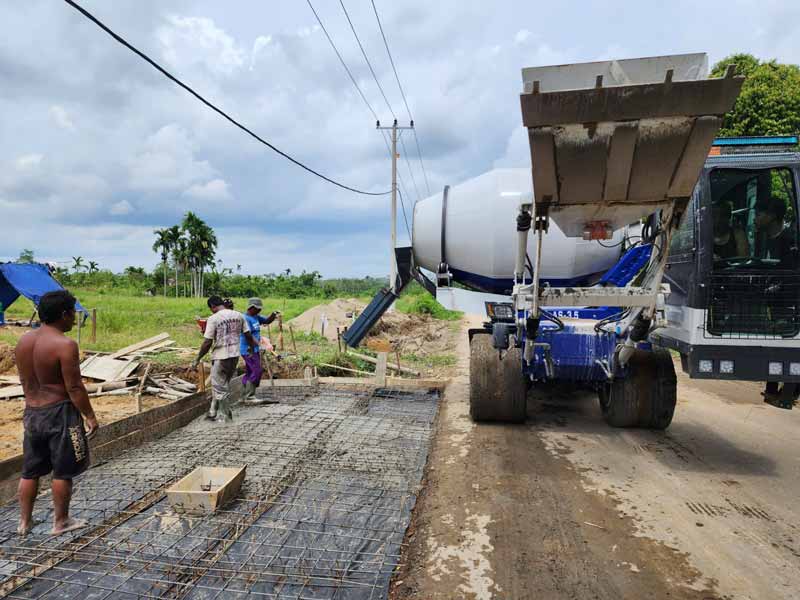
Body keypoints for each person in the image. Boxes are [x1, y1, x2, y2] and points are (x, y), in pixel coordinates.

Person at [15, 290, 99, 536]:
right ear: (64, 314)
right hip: (59, 413)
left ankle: (24, 522)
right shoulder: (65, 344)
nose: (74, 318)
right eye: (73, 313)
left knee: (30, 470)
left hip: (32, 413)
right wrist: (90, 416)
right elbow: (74, 387)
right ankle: (61, 522)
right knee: (62, 470)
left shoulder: (23, 341)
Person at [192, 295, 256, 422]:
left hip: (220, 357)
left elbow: (207, 342)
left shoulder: (213, 318)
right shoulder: (239, 315)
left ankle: (227, 418)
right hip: (234, 356)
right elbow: (248, 334)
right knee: (222, 385)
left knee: (219, 388)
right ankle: (212, 412)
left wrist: (197, 358)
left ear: (212, 307)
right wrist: (251, 348)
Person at [240, 298, 279, 403]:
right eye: (258, 309)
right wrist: (259, 345)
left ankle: (244, 394)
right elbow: (248, 336)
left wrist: (273, 315)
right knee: (257, 370)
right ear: (251, 307)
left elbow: (266, 321)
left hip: (255, 348)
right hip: (248, 349)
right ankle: (249, 396)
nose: (259, 311)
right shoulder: (245, 318)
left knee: (250, 371)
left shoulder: (255, 316)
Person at [755, 196, 796, 267]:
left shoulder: (789, 242)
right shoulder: (762, 239)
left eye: (758, 215)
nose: (754, 219)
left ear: (771, 216)